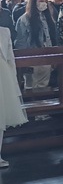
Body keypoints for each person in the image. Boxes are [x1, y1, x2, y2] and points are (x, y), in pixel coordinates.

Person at [15, 0, 59, 90]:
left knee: (44, 86)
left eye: (45, 1)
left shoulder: (47, 18)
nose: (44, 3)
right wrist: (23, 59)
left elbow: (51, 37)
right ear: (34, 2)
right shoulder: (24, 19)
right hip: (32, 57)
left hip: (47, 57)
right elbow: (21, 41)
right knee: (31, 86)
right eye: (41, 1)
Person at [0, 24, 28, 169]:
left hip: (2, 77)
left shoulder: (4, 32)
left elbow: (10, 59)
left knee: (1, 114)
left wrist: (14, 84)